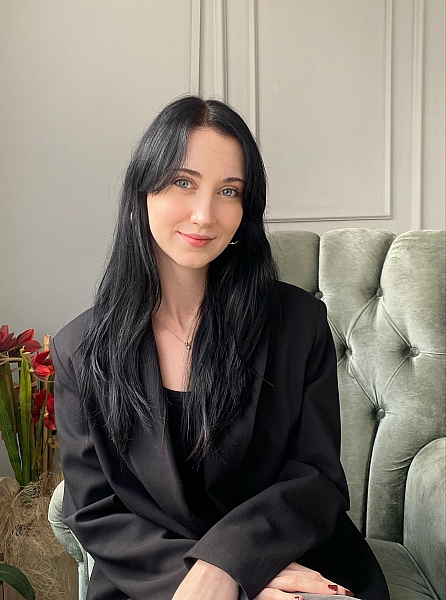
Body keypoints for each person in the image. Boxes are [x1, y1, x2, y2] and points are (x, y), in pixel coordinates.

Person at [52, 96, 390, 600]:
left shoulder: (299, 324)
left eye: (229, 191)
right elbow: (95, 512)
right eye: (183, 182)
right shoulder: (80, 351)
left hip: (295, 557)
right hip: (154, 578)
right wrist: (213, 578)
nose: (204, 215)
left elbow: (316, 478)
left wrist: (230, 565)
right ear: (143, 190)